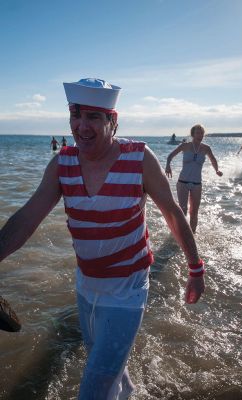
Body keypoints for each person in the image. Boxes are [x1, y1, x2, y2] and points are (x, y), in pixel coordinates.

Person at [0, 78, 205, 400]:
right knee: (106, 365)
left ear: (113, 121)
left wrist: (196, 269)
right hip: (86, 284)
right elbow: (26, 219)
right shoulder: (61, 163)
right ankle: (128, 394)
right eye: (75, 115)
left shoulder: (139, 158)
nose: (81, 126)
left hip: (128, 288)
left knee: (94, 386)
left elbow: (173, 214)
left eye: (93, 117)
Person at [165, 124, 223, 233]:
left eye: (201, 133)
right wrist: (168, 166)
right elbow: (170, 156)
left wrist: (217, 170)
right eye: (197, 133)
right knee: (183, 209)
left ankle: (192, 235)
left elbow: (213, 160)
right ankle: (180, 233)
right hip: (183, 182)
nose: (199, 135)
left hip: (197, 183)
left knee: (194, 212)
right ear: (193, 134)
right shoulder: (185, 146)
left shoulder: (206, 148)